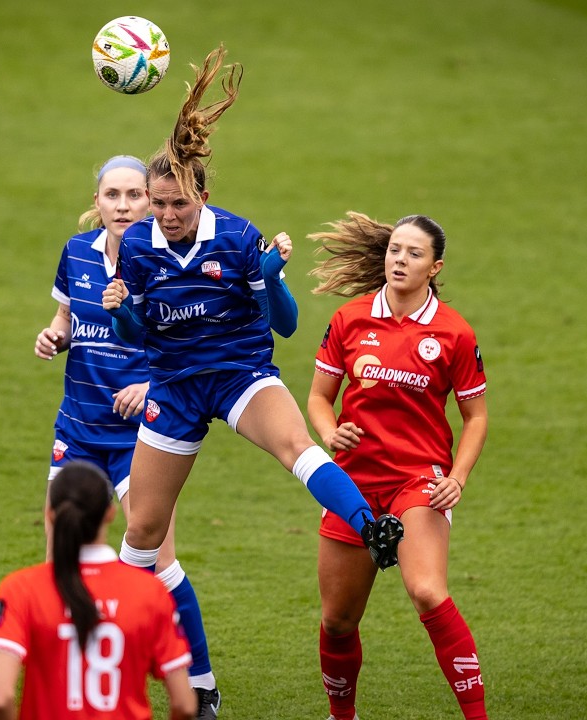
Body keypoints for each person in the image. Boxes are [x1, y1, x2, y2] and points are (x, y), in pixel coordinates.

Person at [99, 47, 406, 705]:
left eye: (177, 203)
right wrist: (121, 309)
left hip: (240, 374)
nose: (166, 215)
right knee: (143, 533)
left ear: (202, 196)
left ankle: (371, 529)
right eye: (157, 204)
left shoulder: (237, 238)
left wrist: (267, 277)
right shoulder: (138, 250)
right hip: (177, 387)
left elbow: (288, 325)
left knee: (298, 448)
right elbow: (136, 339)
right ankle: (196, 687)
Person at [32, 154, 220, 712]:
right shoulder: (76, 253)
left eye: (134, 195)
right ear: (97, 202)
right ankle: (69, 687)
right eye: (111, 195)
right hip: (80, 431)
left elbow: (195, 351)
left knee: (159, 567)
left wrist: (150, 384)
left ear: (152, 200)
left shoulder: (170, 264)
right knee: (57, 567)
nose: (122, 205)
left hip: (145, 440)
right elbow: (69, 320)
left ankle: (202, 684)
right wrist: (54, 335)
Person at [306, 212, 490, 720]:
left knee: (427, 591)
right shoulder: (349, 319)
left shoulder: (453, 333)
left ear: (435, 267)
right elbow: (320, 398)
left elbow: (475, 417)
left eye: (413, 253)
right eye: (394, 250)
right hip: (354, 484)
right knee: (338, 621)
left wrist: (457, 478)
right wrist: (329, 432)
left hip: (419, 479)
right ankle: (342, 717)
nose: (400, 260)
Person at [0, 461, 197, 720]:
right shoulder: (149, 592)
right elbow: (185, 705)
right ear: (110, 513)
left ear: (50, 513)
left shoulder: (21, 589)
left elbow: (0, 698)